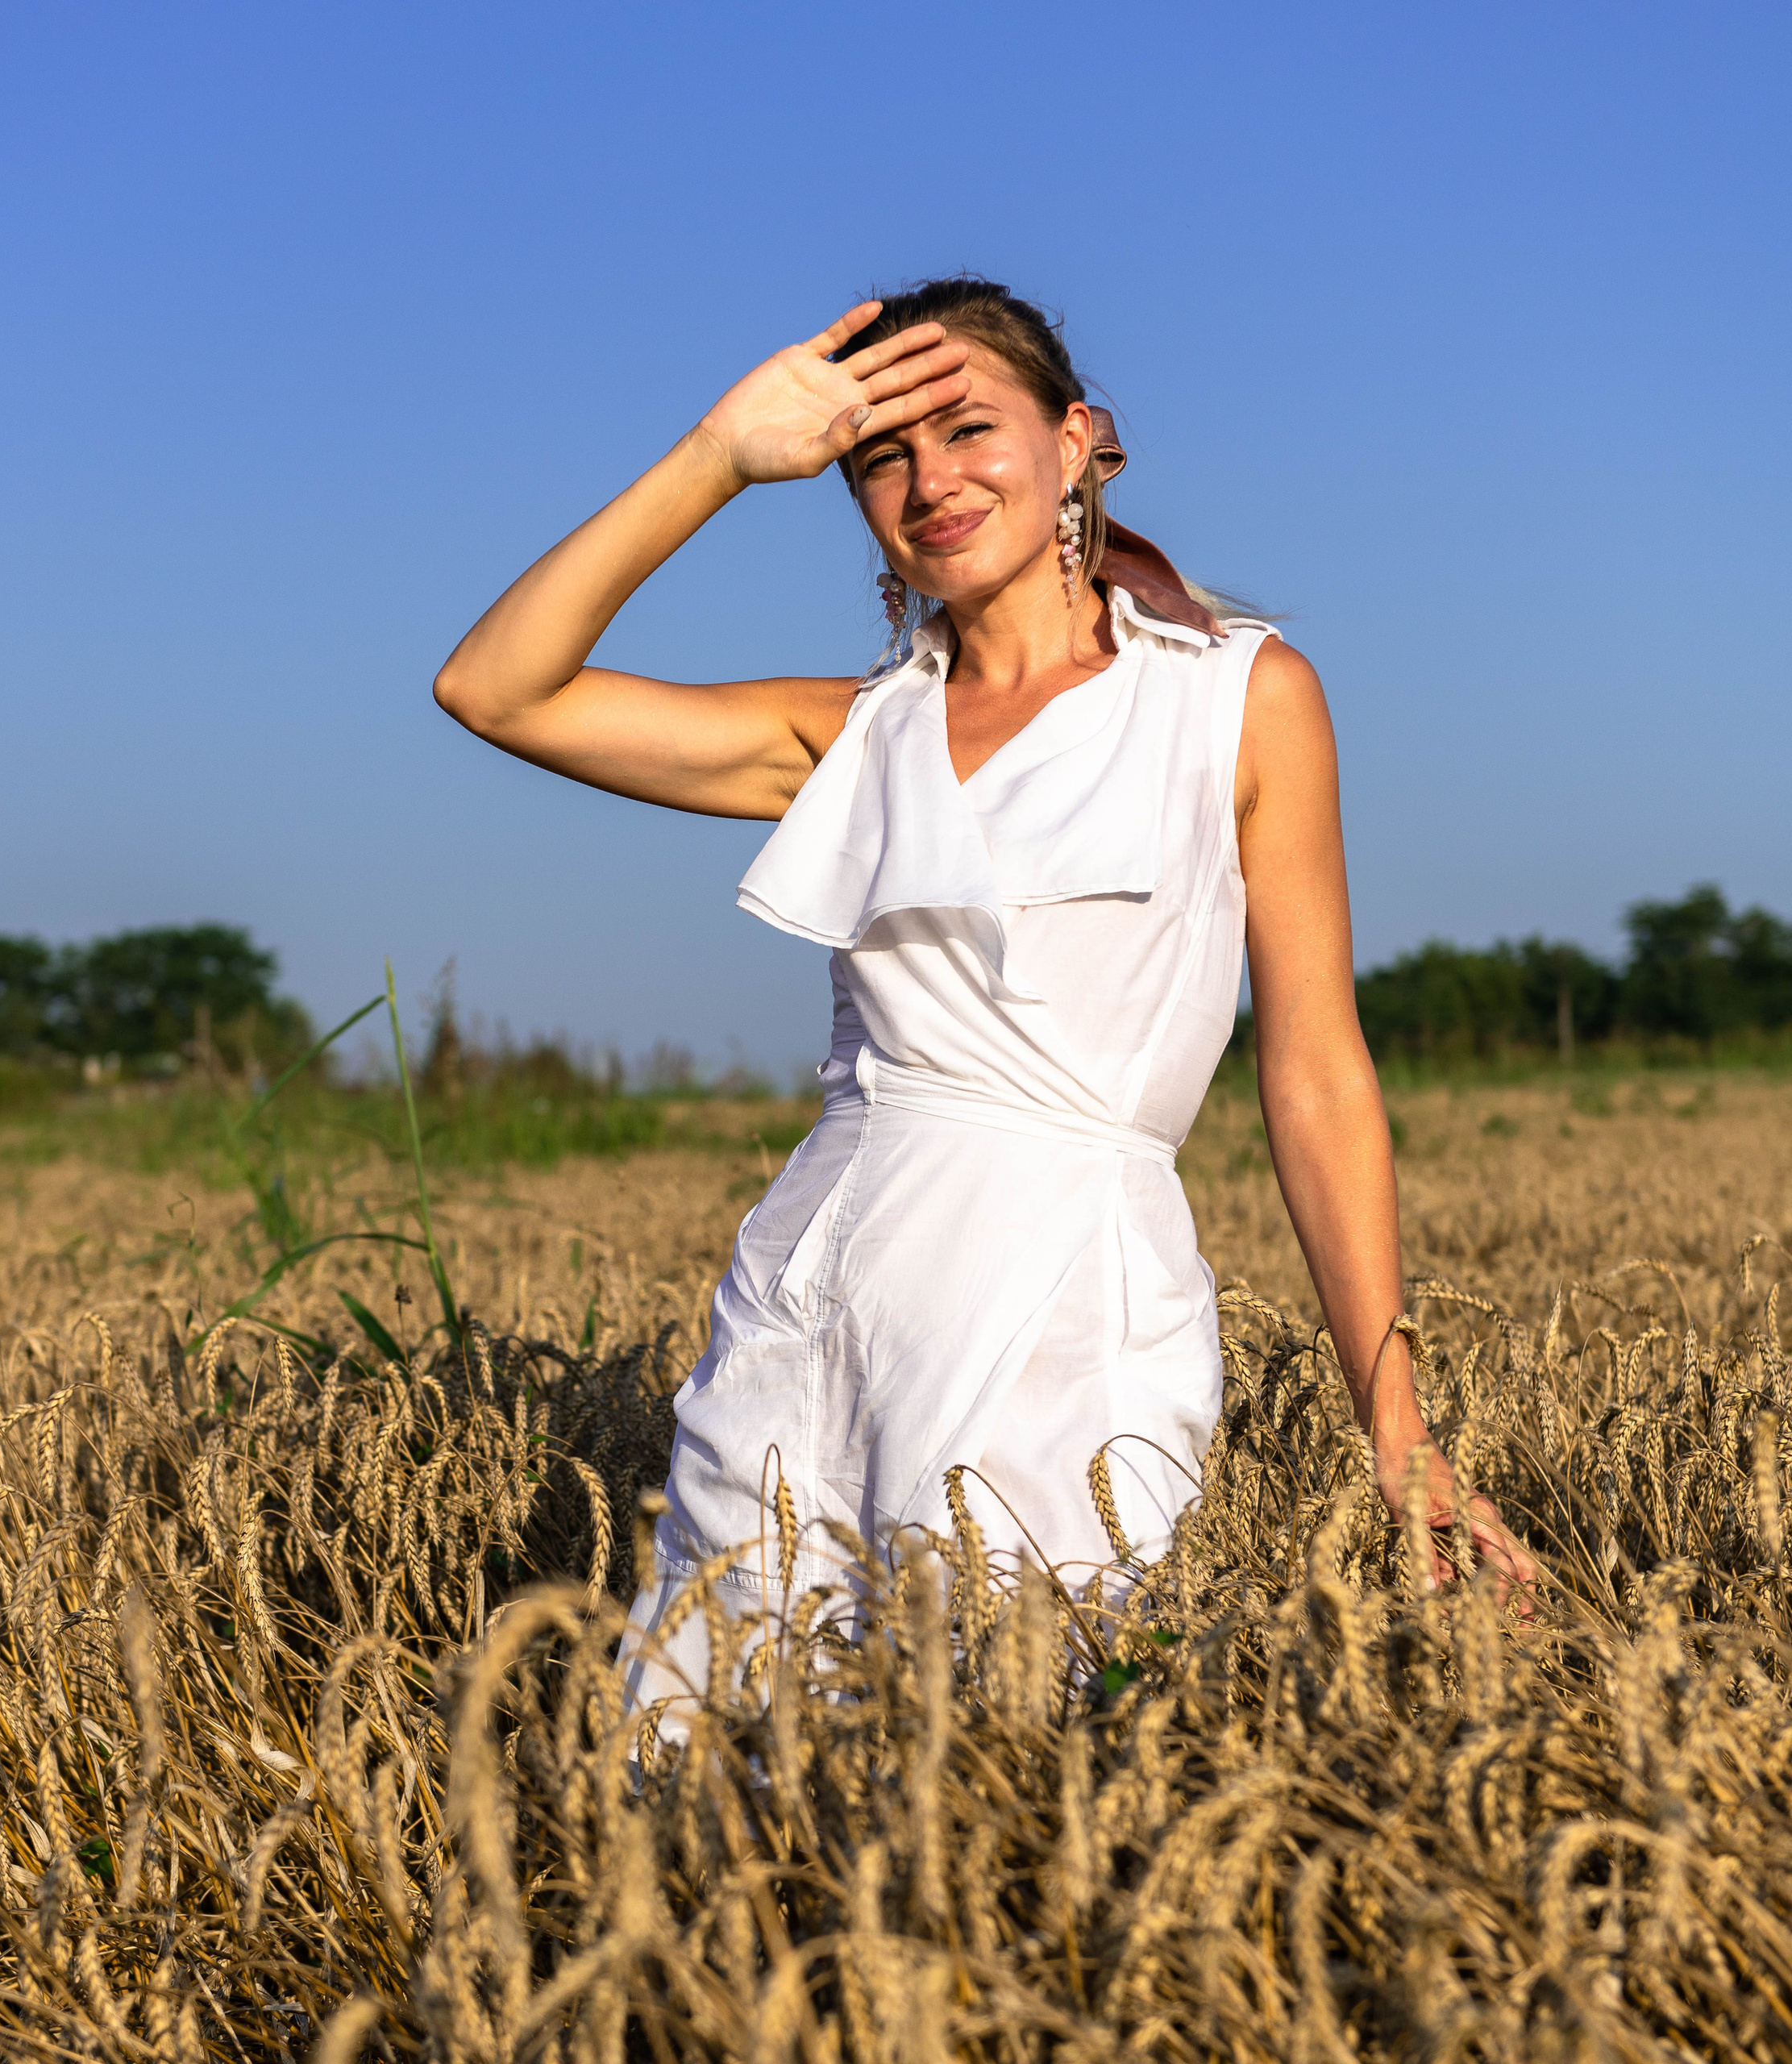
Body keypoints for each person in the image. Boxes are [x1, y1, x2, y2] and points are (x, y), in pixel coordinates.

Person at [434, 278, 1536, 1704]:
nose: (930, 480)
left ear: (1075, 443)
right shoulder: (846, 732)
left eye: (968, 429)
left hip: (1076, 1293)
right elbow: (495, 690)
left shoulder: (1238, 700)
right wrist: (718, 454)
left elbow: (1317, 1071)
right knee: (708, 1774)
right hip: (812, 1307)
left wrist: (1398, 1426)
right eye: (880, 454)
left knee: (1011, 1761)